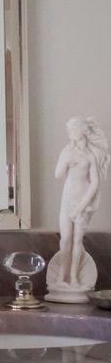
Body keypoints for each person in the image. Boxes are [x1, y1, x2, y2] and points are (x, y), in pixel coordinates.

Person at [55, 117, 109, 287]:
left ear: (81, 131)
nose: (70, 133)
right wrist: (66, 161)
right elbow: (58, 175)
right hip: (67, 199)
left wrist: (80, 207)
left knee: (78, 240)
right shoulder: (67, 151)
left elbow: (94, 184)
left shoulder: (90, 155)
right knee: (65, 239)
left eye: (72, 129)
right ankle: (61, 278)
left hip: (83, 201)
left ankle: (74, 277)